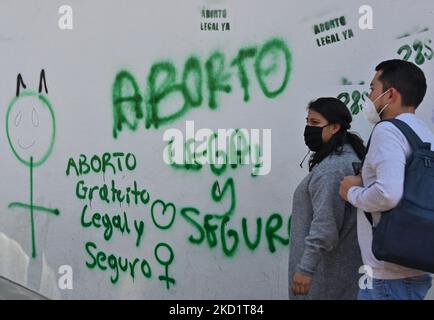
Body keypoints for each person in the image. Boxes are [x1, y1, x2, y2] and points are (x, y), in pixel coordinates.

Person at [340, 59, 434, 300]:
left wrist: (351, 192)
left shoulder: (388, 130)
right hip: (418, 264)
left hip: (386, 277)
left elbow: (388, 193)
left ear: (390, 94)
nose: (370, 97)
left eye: (373, 89)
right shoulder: (425, 134)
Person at [288, 97, 364, 300]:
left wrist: (305, 269)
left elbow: (325, 227)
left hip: (324, 279)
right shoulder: (347, 160)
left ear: (335, 127)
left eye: (315, 123)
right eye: (307, 121)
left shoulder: (333, 169)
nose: (308, 128)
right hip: (337, 277)